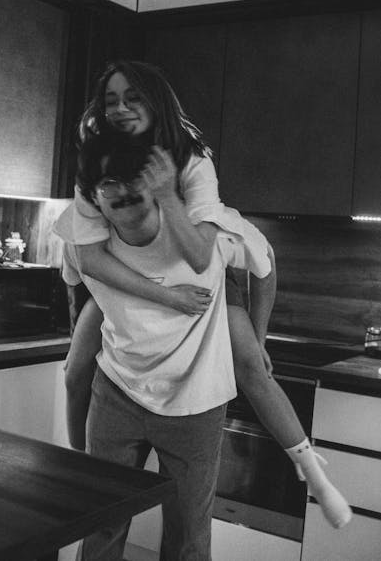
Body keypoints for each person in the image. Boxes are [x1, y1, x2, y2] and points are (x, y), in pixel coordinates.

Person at [55, 60, 352, 535]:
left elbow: (246, 262)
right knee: (75, 369)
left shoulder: (190, 163)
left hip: (203, 267)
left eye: (133, 98)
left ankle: (310, 467)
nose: (121, 109)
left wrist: (259, 336)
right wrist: (151, 300)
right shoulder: (97, 171)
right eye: (111, 101)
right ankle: (82, 468)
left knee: (251, 366)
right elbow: (82, 269)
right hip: (128, 284)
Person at [62, 135, 277, 560]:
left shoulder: (202, 233)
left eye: (133, 184)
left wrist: (258, 337)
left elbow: (265, 264)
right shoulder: (84, 241)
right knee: (102, 523)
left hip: (194, 401)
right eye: (109, 186)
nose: (123, 196)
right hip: (118, 393)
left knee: (188, 538)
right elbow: (73, 284)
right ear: (94, 199)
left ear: (155, 188)